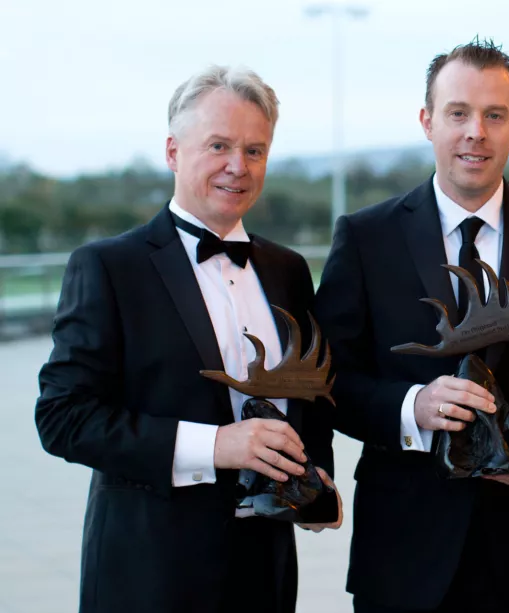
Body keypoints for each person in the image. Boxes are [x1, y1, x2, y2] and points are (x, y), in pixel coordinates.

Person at [313, 38, 509, 613]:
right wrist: (411, 408)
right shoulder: (364, 238)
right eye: (458, 113)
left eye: (493, 115)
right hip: (402, 554)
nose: (475, 131)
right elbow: (330, 382)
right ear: (428, 121)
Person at [35, 65, 342, 613]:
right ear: (173, 151)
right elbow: (62, 418)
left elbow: (313, 397)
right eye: (218, 145)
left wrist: (316, 477)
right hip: (148, 572)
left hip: (265, 570)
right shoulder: (109, 267)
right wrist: (216, 445)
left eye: (255, 150)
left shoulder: (289, 269)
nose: (237, 167)